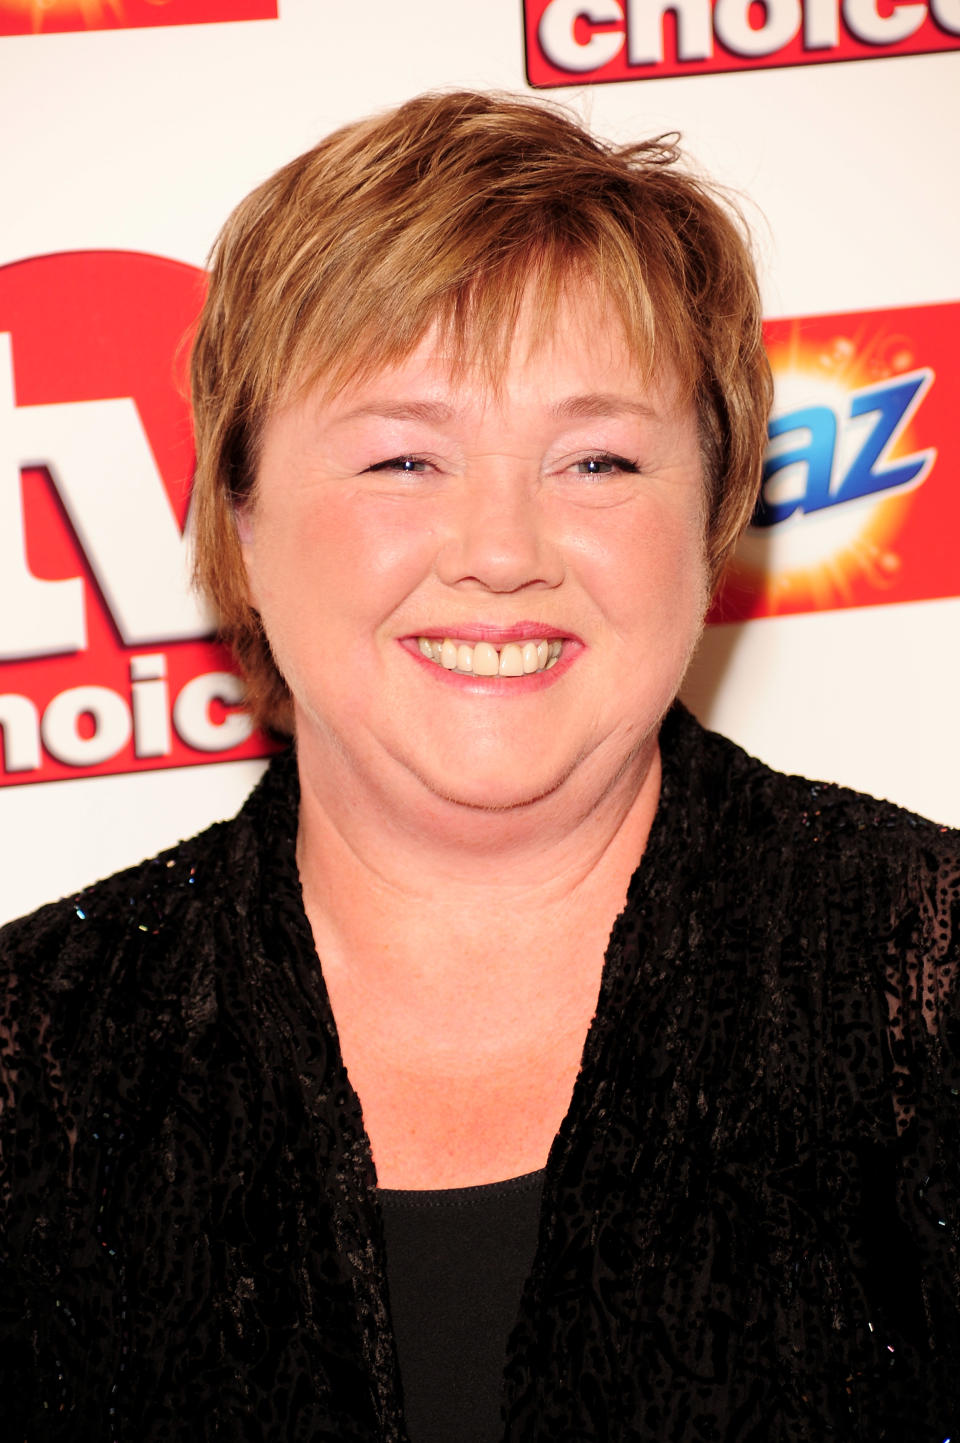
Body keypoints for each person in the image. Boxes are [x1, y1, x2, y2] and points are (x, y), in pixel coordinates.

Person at [1, 89, 958, 1443]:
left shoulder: (929, 987)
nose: (503, 552)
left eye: (598, 459)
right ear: (242, 513)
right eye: (404, 456)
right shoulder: (34, 1064)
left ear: (716, 517)